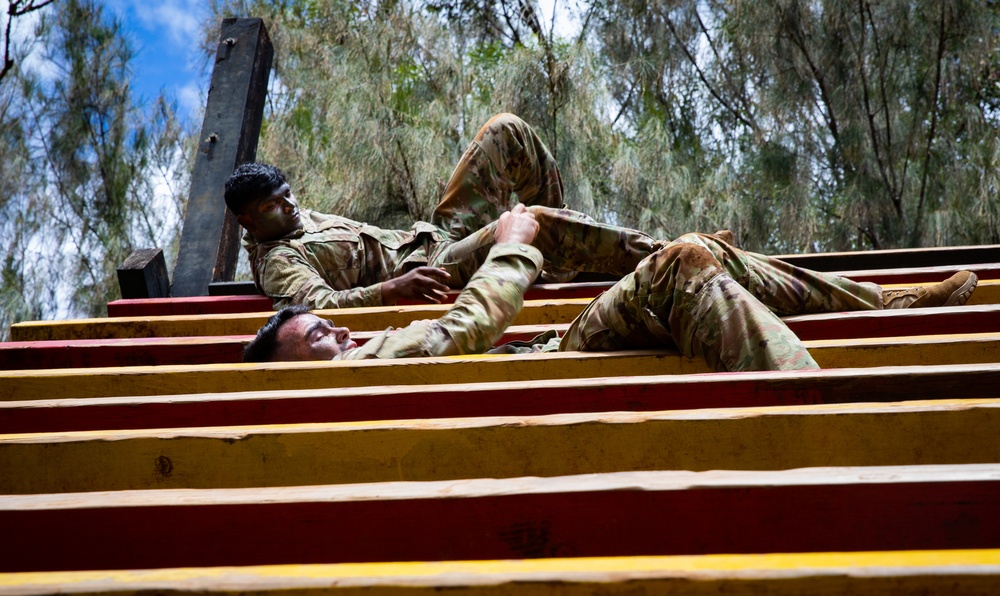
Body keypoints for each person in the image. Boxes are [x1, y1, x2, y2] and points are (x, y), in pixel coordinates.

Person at [242, 204, 979, 372]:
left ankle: (886, 302)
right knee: (683, 261)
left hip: (547, 348)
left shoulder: (359, 361)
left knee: (701, 253)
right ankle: (821, 418)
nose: (333, 330)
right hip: (545, 361)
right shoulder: (361, 371)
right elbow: (457, 331)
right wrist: (510, 254)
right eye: (315, 335)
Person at [224, 113, 662, 310]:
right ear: (248, 221)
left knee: (505, 131)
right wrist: (393, 289)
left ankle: (567, 253)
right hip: (435, 269)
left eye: (287, 194)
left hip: (435, 239)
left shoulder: (295, 221)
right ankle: (662, 256)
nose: (289, 206)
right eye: (272, 206)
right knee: (529, 225)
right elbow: (320, 305)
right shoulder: (279, 261)